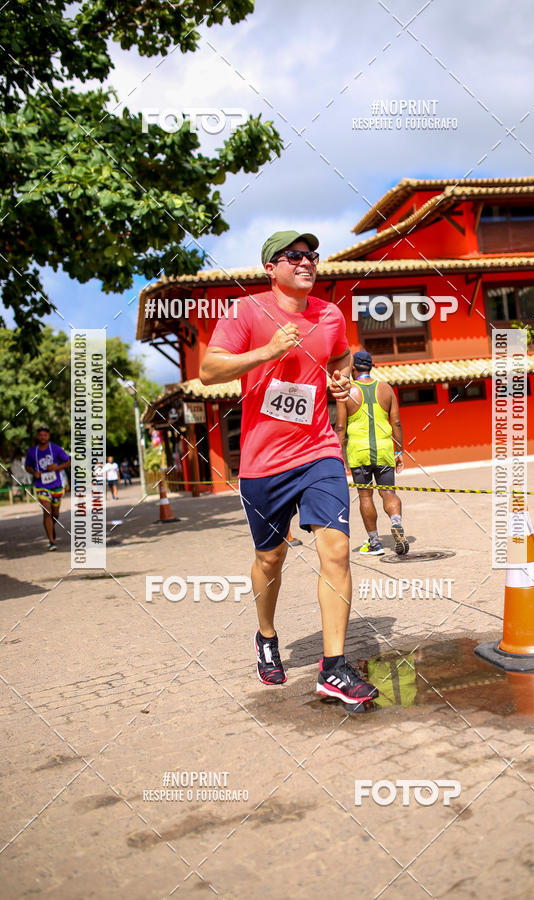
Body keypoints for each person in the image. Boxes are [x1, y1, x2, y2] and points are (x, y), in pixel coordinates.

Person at [200, 229, 378, 705]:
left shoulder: (330, 314)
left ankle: (334, 668)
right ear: (270, 267)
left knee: (337, 550)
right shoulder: (246, 312)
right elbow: (208, 370)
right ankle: (266, 635)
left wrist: (345, 389)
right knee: (270, 558)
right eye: (294, 256)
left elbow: (339, 361)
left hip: (319, 451)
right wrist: (268, 352)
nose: (307, 262)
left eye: (312, 255)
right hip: (263, 462)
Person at [335, 350, 409, 556]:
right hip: (384, 449)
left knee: (365, 496)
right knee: (388, 492)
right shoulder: (386, 389)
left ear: (354, 369)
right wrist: (400, 450)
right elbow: (396, 422)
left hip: (359, 452)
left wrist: (337, 456)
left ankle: (375, 543)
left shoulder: (346, 391)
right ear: (371, 366)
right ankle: (396, 523)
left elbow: (340, 427)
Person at [24, 426, 71, 551]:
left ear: (48, 437)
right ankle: (51, 541)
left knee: (55, 514)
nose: (42, 437)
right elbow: (27, 466)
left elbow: (69, 462)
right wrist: (34, 473)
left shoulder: (55, 449)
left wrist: (56, 467)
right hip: (41, 486)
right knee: (47, 511)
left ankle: (51, 527)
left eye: (45, 435)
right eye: (40, 435)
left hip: (56, 485)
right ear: (37, 437)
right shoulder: (32, 451)